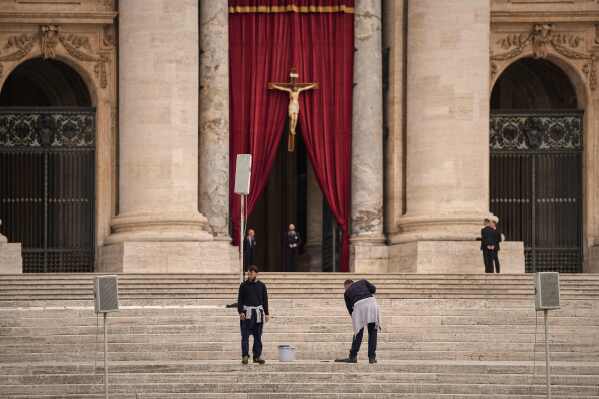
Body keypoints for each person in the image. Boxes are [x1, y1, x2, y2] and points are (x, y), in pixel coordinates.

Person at [335, 279, 380, 364]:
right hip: (372, 303)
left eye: (345, 288)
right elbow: (374, 289)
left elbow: (350, 310)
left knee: (358, 332)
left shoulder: (346, 293)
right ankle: (372, 358)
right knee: (373, 331)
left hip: (359, 306)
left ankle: (353, 356)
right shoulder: (363, 281)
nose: (346, 290)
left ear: (347, 286)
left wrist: (356, 324)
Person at [237, 265, 269, 364]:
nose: (250, 274)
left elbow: (265, 300)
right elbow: (240, 300)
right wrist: (241, 311)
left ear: (256, 273)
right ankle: (245, 356)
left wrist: (266, 313)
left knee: (258, 336)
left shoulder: (262, 285)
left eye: (252, 272)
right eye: (249, 272)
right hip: (247, 313)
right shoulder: (243, 285)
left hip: (258, 314)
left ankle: (257, 356)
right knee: (245, 336)